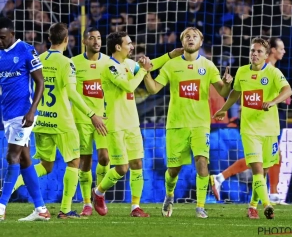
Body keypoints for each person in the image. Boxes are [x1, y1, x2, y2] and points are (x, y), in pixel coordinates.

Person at [11, 22, 107, 219]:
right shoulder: (67, 63)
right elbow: (72, 93)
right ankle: (65, 209)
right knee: (74, 162)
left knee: (45, 165)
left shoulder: (38, 59)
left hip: (41, 120)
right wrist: (92, 114)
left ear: (49, 39)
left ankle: (9, 185)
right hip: (62, 122)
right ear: (66, 40)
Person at [143, 27, 233, 218]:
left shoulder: (208, 66)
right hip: (176, 124)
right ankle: (169, 195)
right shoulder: (171, 66)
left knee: (202, 162)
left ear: (201, 42)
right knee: (173, 170)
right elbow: (153, 90)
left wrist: (228, 83)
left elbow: (223, 93)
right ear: (182, 42)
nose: (191, 39)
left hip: (200, 124)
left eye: (195, 37)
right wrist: (146, 73)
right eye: (187, 37)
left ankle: (200, 206)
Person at [92, 31, 183, 217]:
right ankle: (98, 192)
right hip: (115, 124)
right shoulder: (109, 67)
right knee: (121, 168)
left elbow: (151, 65)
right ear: (118, 47)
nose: (132, 47)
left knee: (137, 163)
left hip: (132, 122)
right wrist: (143, 70)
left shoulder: (129, 64)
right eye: (129, 43)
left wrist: (170, 55)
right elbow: (129, 86)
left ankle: (135, 207)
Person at [213, 37, 292, 219]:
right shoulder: (242, 71)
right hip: (249, 130)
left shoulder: (273, 73)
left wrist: (272, 102)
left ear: (266, 55)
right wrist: (223, 109)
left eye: (259, 52)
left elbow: (288, 91)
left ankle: (252, 206)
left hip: (270, 130)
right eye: (252, 51)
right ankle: (267, 205)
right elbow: (235, 93)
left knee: (263, 171)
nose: (254, 54)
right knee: (257, 168)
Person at [0, 17, 50, 221]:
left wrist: (32, 110)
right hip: (7, 115)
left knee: (12, 156)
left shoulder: (26, 50)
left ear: (12, 34)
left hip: (24, 114)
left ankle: (1, 206)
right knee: (24, 158)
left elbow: (40, 82)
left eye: (2, 37)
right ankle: (41, 209)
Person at [71, 27, 110, 216]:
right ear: (84, 42)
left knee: (105, 158)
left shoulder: (109, 62)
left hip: (103, 119)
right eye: (92, 38)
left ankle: (99, 193)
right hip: (82, 119)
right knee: (85, 161)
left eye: (99, 38)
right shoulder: (74, 63)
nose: (96, 41)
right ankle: (87, 203)